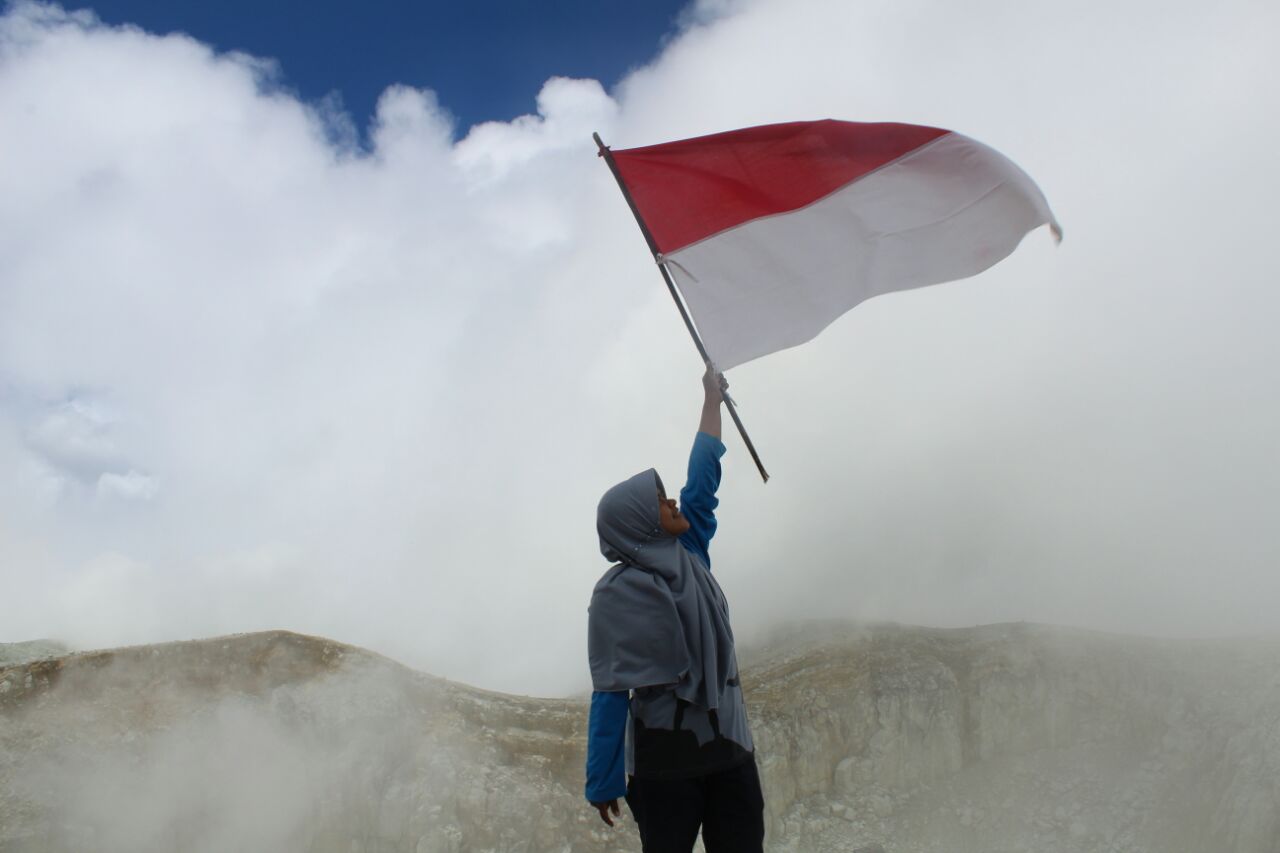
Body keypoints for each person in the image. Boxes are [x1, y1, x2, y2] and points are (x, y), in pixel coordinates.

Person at [585, 367, 765, 853]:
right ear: (641, 524)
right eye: (661, 502)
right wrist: (603, 780)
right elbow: (611, 689)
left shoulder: (693, 555)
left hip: (730, 753)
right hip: (662, 768)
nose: (673, 503)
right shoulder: (614, 598)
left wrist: (711, 400)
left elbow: (703, 482)